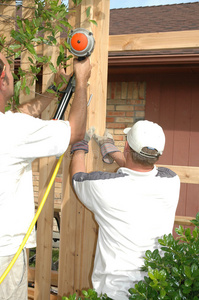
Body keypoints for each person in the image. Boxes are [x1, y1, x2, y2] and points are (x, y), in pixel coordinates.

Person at [0, 52, 92, 300]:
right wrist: (81, 81)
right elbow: (75, 131)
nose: (11, 73)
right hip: (4, 253)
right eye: (9, 68)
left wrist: (54, 89)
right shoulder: (12, 132)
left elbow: (17, 117)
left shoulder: (10, 127)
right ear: (2, 80)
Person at [70, 120, 180, 300]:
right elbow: (142, 171)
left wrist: (79, 147)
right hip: (157, 288)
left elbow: (77, 178)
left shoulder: (103, 187)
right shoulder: (171, 181)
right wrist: (111, 151)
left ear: (127, 146)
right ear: (158, 155)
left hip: (113, 291)